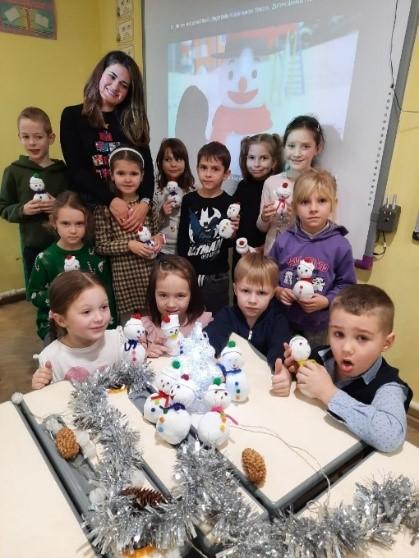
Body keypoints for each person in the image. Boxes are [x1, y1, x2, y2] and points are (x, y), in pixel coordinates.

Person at [277, 284, 413, 452]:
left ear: (386, 342)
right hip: (307, 443)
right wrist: (290, 372)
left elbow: (391, 437)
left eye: (362, 338)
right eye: (338, 334)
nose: (346, 348)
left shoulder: (389, 386)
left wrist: (328, 393)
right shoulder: (321, 356)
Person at [60, 50, 153, 231]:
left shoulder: (133, 121)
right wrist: (111, 200)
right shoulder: (72, 116)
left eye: (124, 85)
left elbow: (146, 167)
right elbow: (77, 170)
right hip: (88, 212)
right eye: (112, 76)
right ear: (100, 74)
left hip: (130, 212)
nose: (115, 86)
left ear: (129, 92)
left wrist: (145, 203)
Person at [270, 168, 356, 347]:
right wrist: (277, 291)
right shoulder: (284, 240)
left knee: (311, 363)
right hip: (281, 320)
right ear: (294, 207)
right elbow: (268, 275)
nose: (313, 209)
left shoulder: (340, 245)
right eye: (305, 202)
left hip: (318, 326)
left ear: (333, 204)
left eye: (322, 201)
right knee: (278, 359)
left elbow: (347, 286)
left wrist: (326, 301)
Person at [27, 191, 116, 341]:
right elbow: (34, 295)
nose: (73, 230)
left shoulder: (96, 256)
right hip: (57, 328)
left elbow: (107, 293)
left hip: (95, 324)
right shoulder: (45, 259)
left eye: (79, 223)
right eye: (65, 223)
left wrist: (111, 325)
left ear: (87, 223)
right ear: (54, 222)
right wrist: (65, 298)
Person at [0, 107, 68, 288]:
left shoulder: (63, 171)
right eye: (26, 137)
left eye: (38, 137)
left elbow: (76, 203)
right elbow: (3, 207)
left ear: (50, 138)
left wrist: (59, 205)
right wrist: (22, 210)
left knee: (66, 289)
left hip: (65, 243)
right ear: (19, 137)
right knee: (38, 291)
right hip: (32, 246)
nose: (32, 143)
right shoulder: (13, 171)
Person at [94, 147, 163, 323]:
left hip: (149, 276)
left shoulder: (148, 206)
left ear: (142, 176)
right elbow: (101, 245)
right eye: (121, 173)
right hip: (124, 283)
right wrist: (129, 245)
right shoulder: (104, 209)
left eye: (133, 173)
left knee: (153, 323)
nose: (127, 179)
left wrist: (157, 240)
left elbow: (157, 233)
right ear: (112, 175)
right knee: (130, 329)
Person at [204, 252, 291, 383]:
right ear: (235, 289)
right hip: (230, 382)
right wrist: (209, 354)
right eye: (245, 291)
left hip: (262, 383)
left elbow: (278, 350)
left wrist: (282, 370)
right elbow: (210, 339)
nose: (252, 300)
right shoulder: (226, 315)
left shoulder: (278, 321)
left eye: (261, 293)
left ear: (273, 293)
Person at [31, 271, 124, 390]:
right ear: (61, 320)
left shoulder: (119, 340)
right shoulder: (51, 359)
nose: (99, 318)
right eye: (86, 312)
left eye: (104, 307)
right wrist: (41, 389)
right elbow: (48, 398)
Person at [177, 141, 239, 313]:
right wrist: (183, 270)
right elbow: (183, 239)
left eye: (215, 169)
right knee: (188, 317)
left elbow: (228, 244)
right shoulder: (189, 200)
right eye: (203, 167)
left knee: (216, 319)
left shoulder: (230, 203)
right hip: (190, 274)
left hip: (217, 277)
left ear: (226, 174)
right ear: (197, 168)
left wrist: (233, 233)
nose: (208, 174)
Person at [257, 115, 324, 254]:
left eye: (305, 146)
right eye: (291, 146)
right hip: (272, 256)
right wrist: (264, 217)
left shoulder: (322, 184)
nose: (297, 153)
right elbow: (262, 227)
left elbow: (328, 230)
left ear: (317, 148)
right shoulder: (271, 182)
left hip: (304, 258)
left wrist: (297, 218)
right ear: (284, 147)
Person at [142, 255, 213, 357]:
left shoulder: (203, 325)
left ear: (192, 295)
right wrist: (145, 353)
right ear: (153, 294)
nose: (171, 304)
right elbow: (131, 359)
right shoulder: (144, 328)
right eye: (163, 295)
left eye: (180, 296)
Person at [232, 133, 282, 270]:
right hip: (242, 253)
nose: (256, 164)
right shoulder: (242, 186)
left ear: (274, 162)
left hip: (266, 255)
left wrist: (266, 247)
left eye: (264, 158)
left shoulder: (276, 188)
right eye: (252, 158)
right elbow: (234, 217)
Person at [153, 138, 195, 255]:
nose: (173, 164)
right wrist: (162, 212)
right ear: (160, 162)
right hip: (162, 249)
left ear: (185, 162)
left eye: (178, 159)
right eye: (168, 159)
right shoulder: (155, 190)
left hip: (186, 249)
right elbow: (149, 223)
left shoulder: (192, 190)